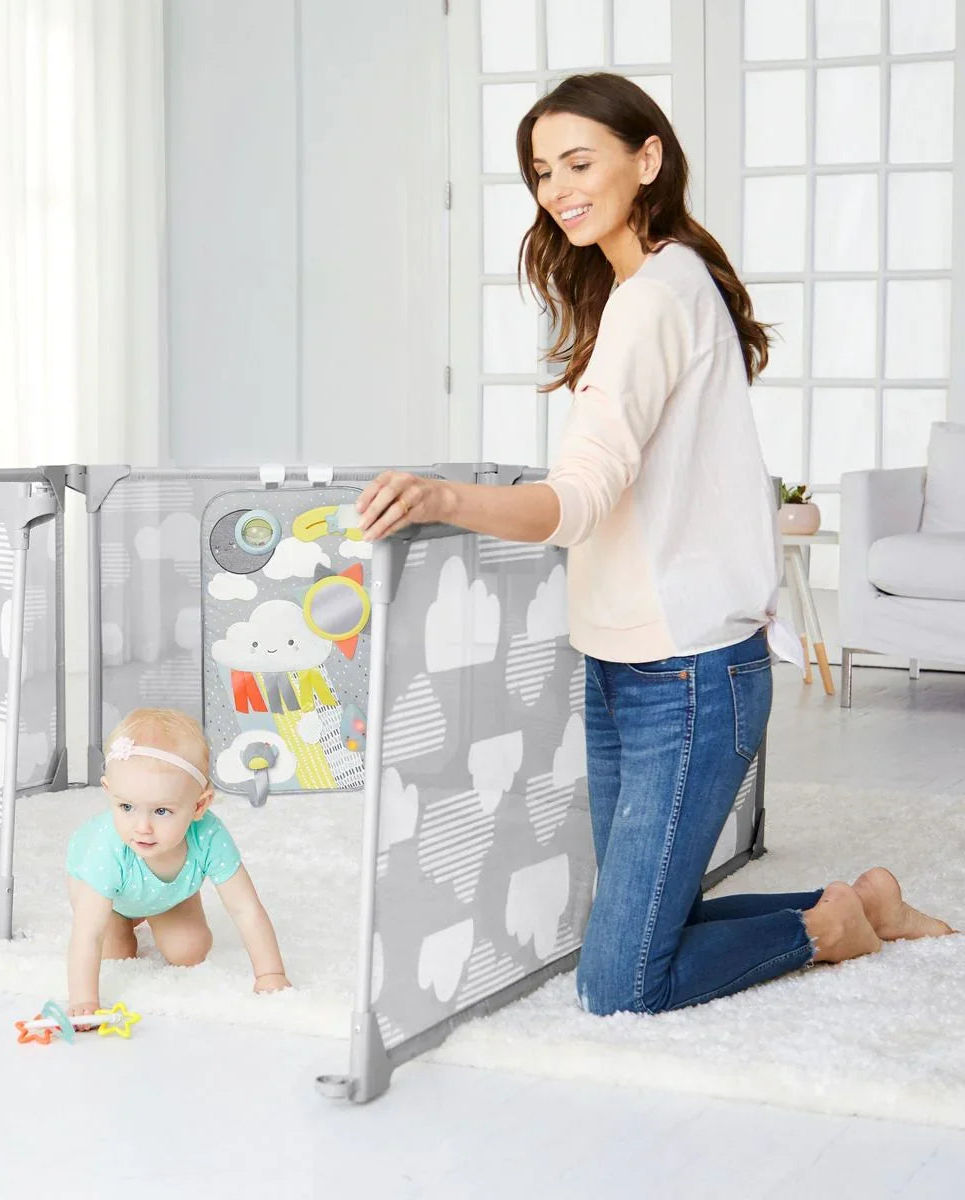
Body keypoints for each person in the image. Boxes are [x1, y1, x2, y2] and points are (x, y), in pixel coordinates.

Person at [355, 72, 954, 1016]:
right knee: (636, 923)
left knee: (621, 979)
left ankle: (824, 931)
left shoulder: (653, 300)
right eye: (543, 171)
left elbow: (581, 501)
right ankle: (863, 901)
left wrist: (442, 497)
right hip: (626, 658)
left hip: (685, 672)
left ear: (648, 159)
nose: (557, 188)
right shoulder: (659, 282)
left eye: (579, 161)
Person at [65, 707, 291, 1018]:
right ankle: (124, 921)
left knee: (190, 951)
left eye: (161, 811)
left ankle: (156, 912)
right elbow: (87, 933)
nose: (141, 827)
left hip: (168, 897)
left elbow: (246, 908)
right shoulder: (106, 849)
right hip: (105, 894)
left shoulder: (209, 836)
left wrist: (270, 974)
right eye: (127, 806)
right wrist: (83, 1002)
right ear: (109, 792)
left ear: (199, 806)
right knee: (115, 953)